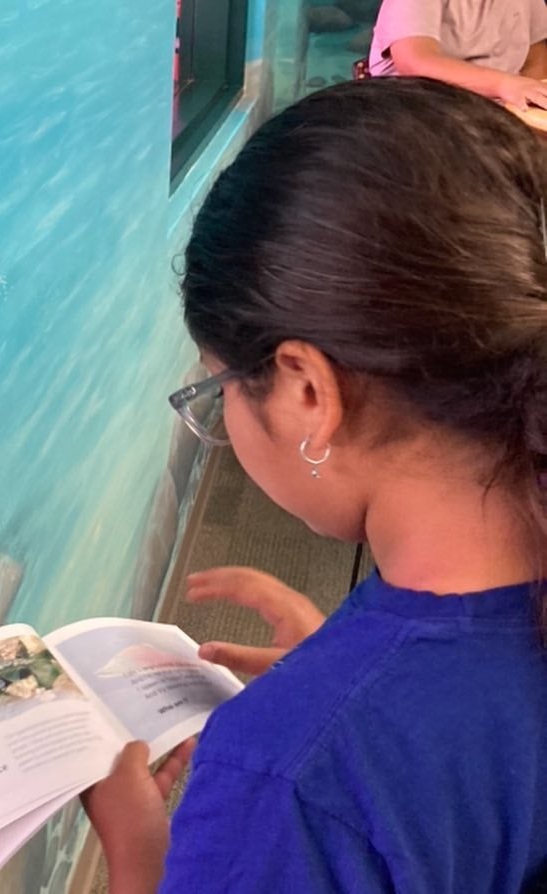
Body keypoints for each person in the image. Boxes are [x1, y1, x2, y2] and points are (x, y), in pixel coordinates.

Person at [82, 76, 547, 892]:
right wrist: (346, 664)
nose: (218, 411)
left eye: (215, 386)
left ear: (305, 389)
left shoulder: (293, 776)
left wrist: (135, 851)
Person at [368, 0, 547, 108]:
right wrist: (504, 85)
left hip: (497, 117)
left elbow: (535, 57)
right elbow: (413, 61)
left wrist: (533, 104)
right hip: (420, 115)